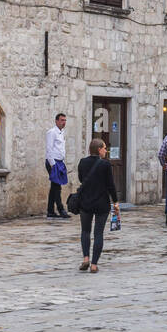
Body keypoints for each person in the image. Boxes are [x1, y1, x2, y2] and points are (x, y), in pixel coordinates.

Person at [76, 138, 118, 273]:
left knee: (85, 231)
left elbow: (81, 179)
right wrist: (116, 201)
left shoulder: (82, 162)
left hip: (86, 202)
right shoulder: (105, 165)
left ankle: (86, 259)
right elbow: (111, 185)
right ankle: (94, 265)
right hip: (101, 203)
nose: (106, 150)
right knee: (98, 233)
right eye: (104, 148)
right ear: (99, 149)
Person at [45, 113, 71, 219]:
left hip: (60, 162)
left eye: (65, 120)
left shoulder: (62, 133)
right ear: (56, 121)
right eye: (61, 120)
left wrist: (62, 162)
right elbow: (49, 148)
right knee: (57, 187)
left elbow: (60, 149)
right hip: (53, 162)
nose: (63, 122)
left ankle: (50, 211)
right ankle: (61, 210)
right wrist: (53, 164)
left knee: (54, 187)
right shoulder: (52, 133)